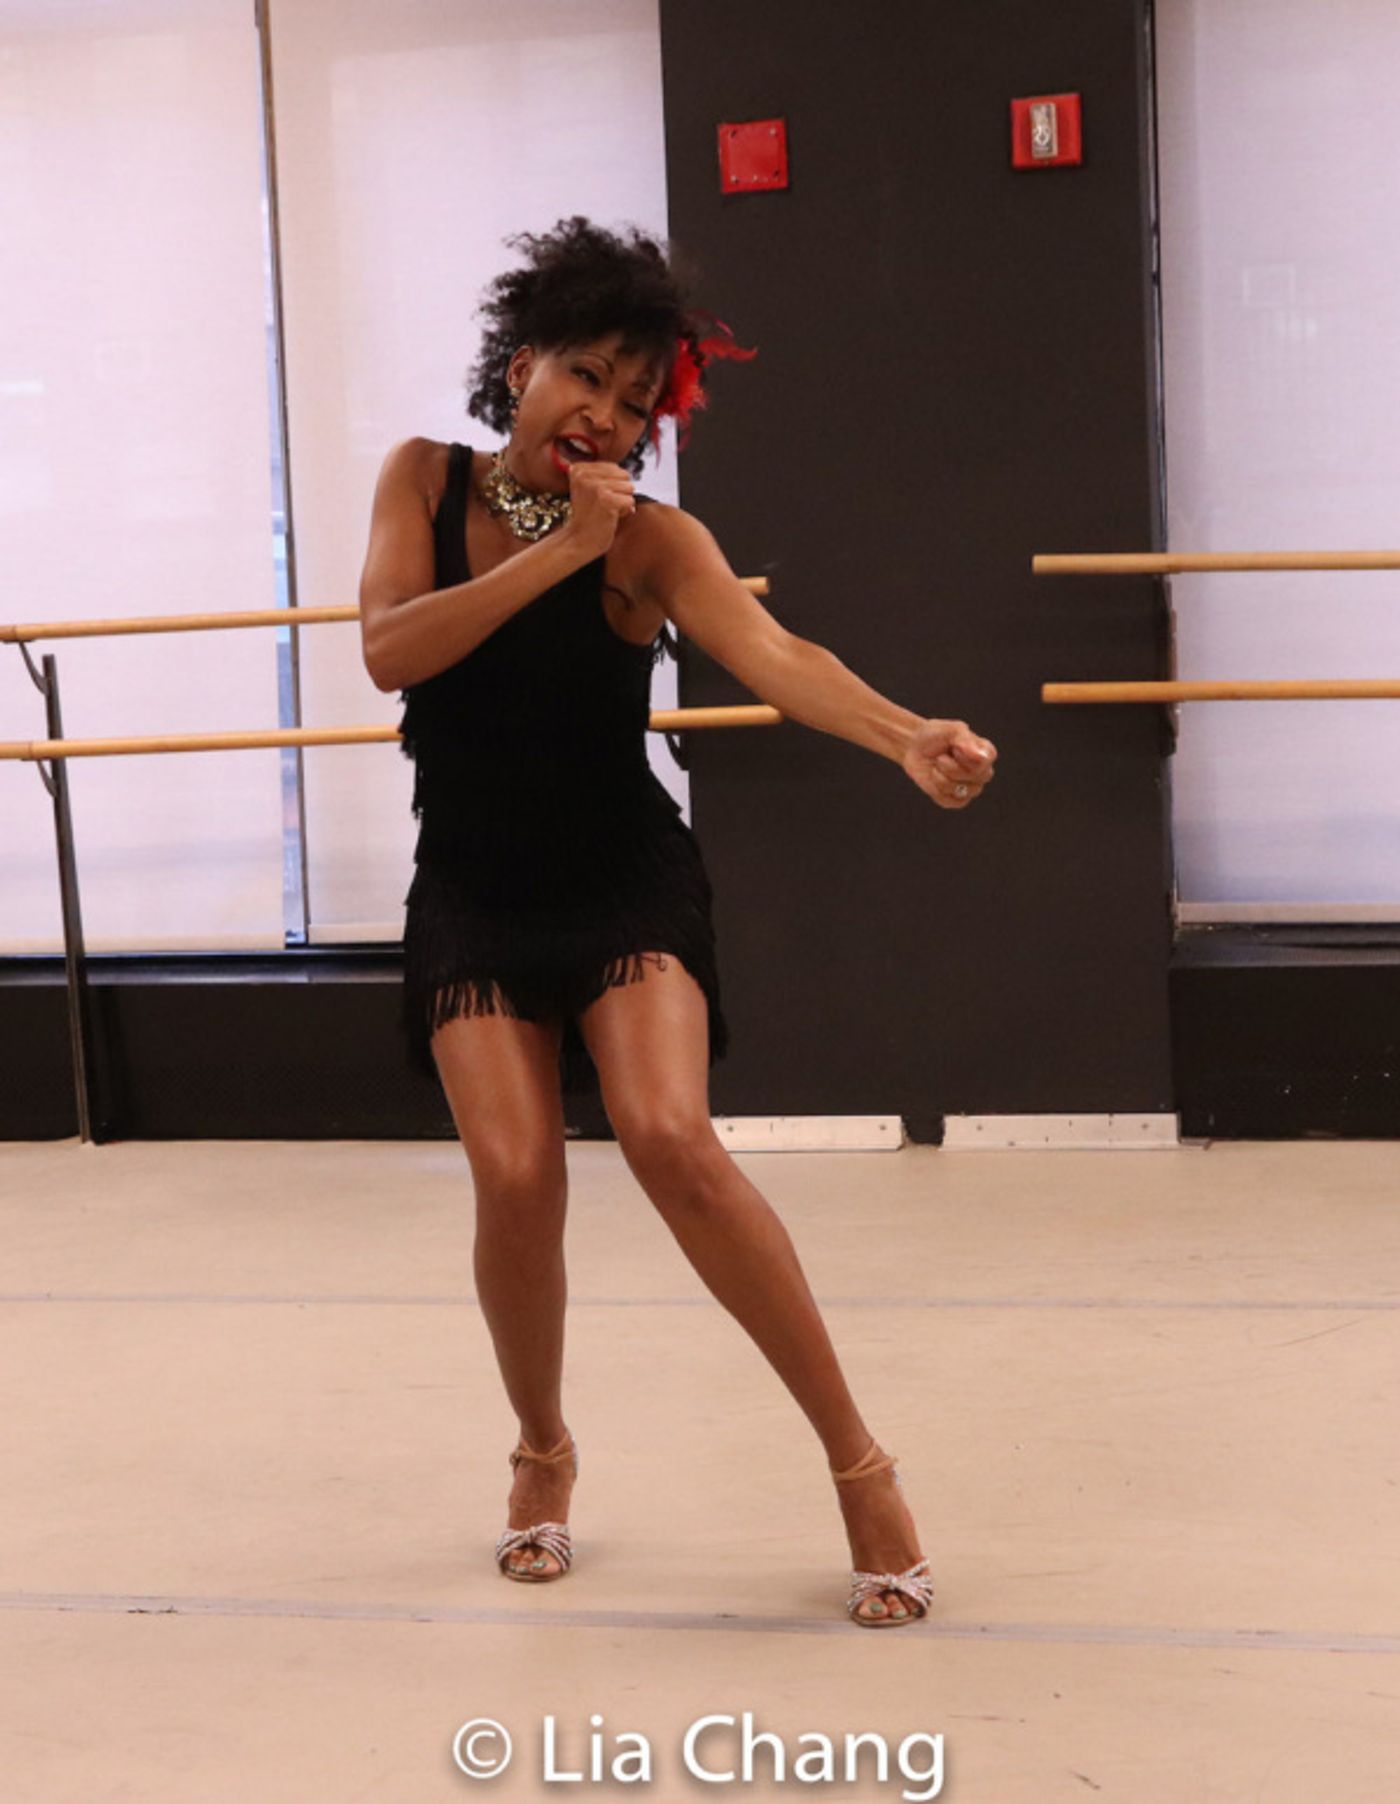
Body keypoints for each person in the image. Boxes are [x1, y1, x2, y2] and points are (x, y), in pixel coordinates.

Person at [358, 217, 997, 1629]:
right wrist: (552, 553)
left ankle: (861, 1465)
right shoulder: (421, 481)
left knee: (669, 1139)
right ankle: (543, 1453)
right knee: (517, 1178)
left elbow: (775, 654)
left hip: (621, 877)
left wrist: (903, 735)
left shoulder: (655, 540)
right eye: (583, 376)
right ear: (518, 364)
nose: (603, 414)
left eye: (635, 401)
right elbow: (393, 648)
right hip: (473, 885)